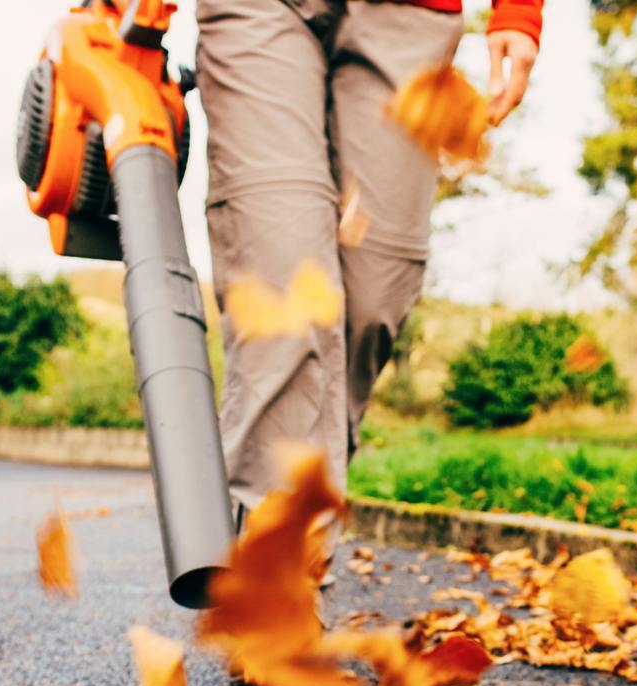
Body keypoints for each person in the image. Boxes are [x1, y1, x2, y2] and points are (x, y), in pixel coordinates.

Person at [198, 0, 543, 547]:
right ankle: (281, 574)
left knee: (375, 292)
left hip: (412, 16)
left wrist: (518, 13)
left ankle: (304, 509)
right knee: (287, 280)